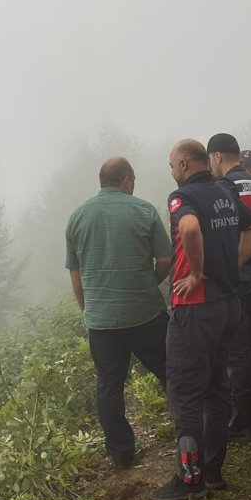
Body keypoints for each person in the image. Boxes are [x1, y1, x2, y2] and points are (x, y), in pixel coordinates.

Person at [151, 139, 251, 500]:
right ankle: (213, 472)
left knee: (184, 392)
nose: (170, 170)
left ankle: (189, 479)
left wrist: (198, 273)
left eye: (171, 164)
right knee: (217, 389)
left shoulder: (181, 197)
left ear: (184, 164)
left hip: (195, 308)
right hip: (228, 304)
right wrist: (231, 266)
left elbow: (189, 230)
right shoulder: (224, 192)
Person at [65, 157, 172, 470]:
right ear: (126, 180)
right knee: (171, 371)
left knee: (109, 386)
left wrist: (90, 310)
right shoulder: (144, 210)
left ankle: (122, 453)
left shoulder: (77, 218)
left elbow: (76, 277)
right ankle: (190, 432)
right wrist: (149, 285)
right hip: (146, 314)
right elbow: (165, 260)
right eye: (133, 180)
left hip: (101, 323)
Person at [207, 133, 251, 443]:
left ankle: (241, 422)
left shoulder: (225, 187)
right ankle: (244, 416)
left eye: (210, 160)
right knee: (246, 347)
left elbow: (226, 234)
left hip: (235, 274)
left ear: (218, 156)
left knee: (235, 353)